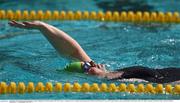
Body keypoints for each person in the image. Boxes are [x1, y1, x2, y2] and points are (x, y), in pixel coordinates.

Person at [8, 20, 180, 83]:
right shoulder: (113, 82)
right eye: (85, 69)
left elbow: (73, 51)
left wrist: (43, 27)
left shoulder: (107, 73)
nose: (89, 65)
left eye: (86, 66)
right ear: (85, 77)